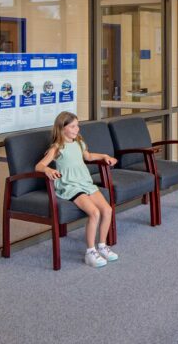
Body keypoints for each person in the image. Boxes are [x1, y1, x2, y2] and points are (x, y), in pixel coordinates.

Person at [36, 111, 118, 268]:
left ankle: (102, 245)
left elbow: (88, 156)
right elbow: (39, 165)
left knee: (107, 210)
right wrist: (48, 170)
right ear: (62, 128)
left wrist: (104, 156)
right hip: (70, 185)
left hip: (85, 183)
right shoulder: (57, 148)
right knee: (94, 213)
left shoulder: (79, 143)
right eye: (73, 126)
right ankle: (90, 252)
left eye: (77, 126)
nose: (77, 129)